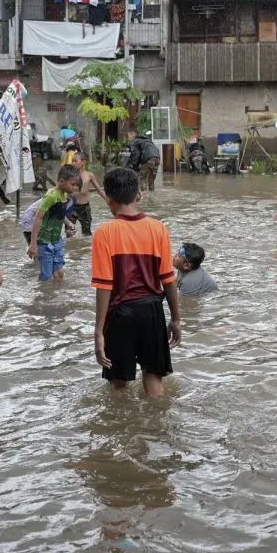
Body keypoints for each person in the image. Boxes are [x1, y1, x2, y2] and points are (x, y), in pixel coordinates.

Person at [91, 167, 182, 397]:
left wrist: (99, 331)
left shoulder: (104, 232)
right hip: (152, 312)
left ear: (109, 200)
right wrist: (176, 319)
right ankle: (158, 429)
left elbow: (104, 285)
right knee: (153, 379)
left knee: (119, 384)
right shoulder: (158, 228)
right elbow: (168, 279)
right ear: (138, 196)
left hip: (120, 314)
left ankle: (123, 430)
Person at [27, 165, 82, 281]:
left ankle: (55, 297)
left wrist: (69, 223)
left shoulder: (64, 195)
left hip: (56, 241)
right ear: (62, 181)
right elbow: (37, 217)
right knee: (46, 276)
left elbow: (58, 214)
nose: (74, 187)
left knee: (60, 273)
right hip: (45, 241)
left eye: (76, 185)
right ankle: (42, 296)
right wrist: (33, 243)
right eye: (72, 184)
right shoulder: (51, 196)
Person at [71, 151, 108, 236]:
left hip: (85, 207)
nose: (73, 163)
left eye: (75, 161)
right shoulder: (70, 175)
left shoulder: (89, 175)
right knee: (69, 233)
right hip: (72, 207)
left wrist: (108, 201)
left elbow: (99, 190)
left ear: (83, 162)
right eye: (72, 161)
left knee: (87, 233)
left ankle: (86, 249)